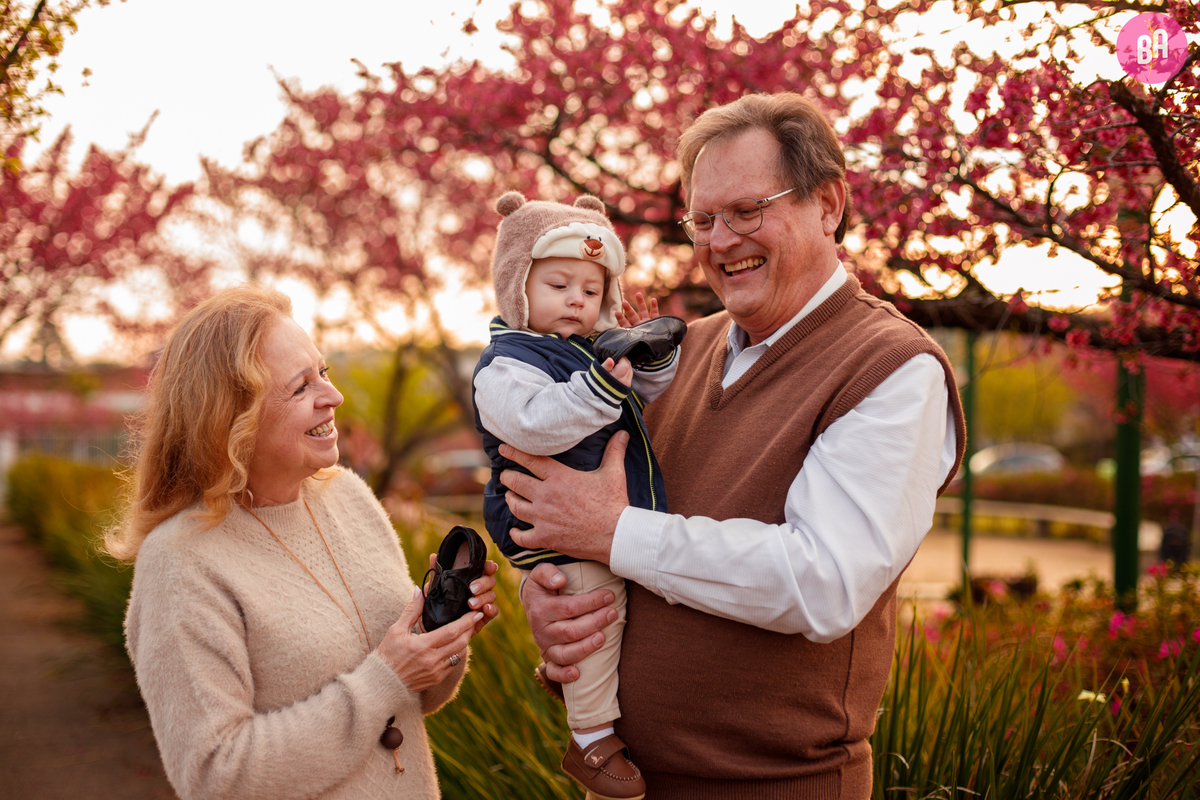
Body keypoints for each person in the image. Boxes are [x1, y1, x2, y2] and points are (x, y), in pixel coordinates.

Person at [499, 92, 967, 798]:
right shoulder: (680, 350)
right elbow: (596, 522)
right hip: (627, 781)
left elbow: (824, 584)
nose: (719, 242)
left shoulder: (892, 367)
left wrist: (613, 533)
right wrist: (553, 599)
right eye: (703, 219)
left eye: (748, 211)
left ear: (829, 203)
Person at [106, 284, 500, 800]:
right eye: (300, 387)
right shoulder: (181, 564)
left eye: (325, 373)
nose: (333, 397)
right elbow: (213, 776)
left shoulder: (350, 498)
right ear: (232, 417)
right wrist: (386, 677)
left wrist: (442, 637)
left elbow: (411, 702)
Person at [473, 191, 681, 799]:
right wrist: (597, 389)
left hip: (603, 520)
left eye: (591, 293)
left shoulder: (586, 353)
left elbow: (637, 391)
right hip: (551, 526)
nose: (576, 301)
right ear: (518, 288)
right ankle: (590, 738)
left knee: (606, 613)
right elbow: (534, 422)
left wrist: (651, 359)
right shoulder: (508, 363)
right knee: (593, 611)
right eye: (559, 285)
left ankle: (598, 725)